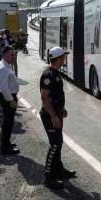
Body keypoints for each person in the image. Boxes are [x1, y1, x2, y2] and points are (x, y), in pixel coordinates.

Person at [40, 47, 76, 189]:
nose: (65, 59)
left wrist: (62, 110)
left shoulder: (55, 73)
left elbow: (56, 95)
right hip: (50, 116)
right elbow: (44, 97)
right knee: (54, 145)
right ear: (59, 59)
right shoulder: (48, 74)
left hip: (56, 113)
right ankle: (49, 177)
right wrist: (54, 115)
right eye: (63, 57)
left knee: (59, 143)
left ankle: (59, 170)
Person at [0, 46, 20, 155]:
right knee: (7, 122)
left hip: (9, 96)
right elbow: (3, 86)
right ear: (4, 54)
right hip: (7, 97)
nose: (13, 56)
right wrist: (11, 100)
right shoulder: (3, 68)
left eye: (13, 54)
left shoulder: (6, 65)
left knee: (9, 121)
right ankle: (5, 147)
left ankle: (7, 142)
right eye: (11, 54)